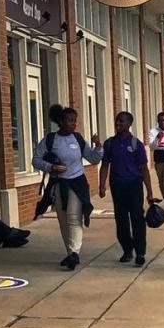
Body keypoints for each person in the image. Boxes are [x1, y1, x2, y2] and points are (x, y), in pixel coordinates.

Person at [32, 103, 103, 270]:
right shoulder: (50, 140)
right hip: (58, 184)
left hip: (77, 183)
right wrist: (51, 167)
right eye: (70, 120)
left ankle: (74, 253)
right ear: (61, 122)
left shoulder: (77, 139)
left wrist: (98, 145)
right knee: (63, 220)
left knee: (74, 217)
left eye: (74, 121)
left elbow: (93, 159)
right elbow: (35, 160)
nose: (73, 123)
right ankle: (70, 252)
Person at [99, 110, 154, 265]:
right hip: (117, 185)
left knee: (137, 218)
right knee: (121, 220)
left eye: (122, 121)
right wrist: (102, 185)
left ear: (129, 124)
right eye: (117, 121)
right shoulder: (110, 143)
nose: (118, 124)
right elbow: (104, 165)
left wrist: (149, 191)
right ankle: (127, 250)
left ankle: (140, 252)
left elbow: (144, 169)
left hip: (134, 185)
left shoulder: (136, 144)